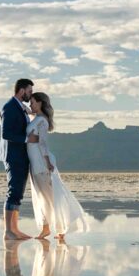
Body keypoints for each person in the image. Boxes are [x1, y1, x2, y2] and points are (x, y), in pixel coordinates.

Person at [26, 92, 89, 239]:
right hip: (34, 162)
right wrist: (28, 113)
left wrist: (47, 162)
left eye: (33, 103)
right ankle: (48, 228)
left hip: (41, 162)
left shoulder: (42, 121)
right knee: (41, 197)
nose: (31, 105)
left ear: (40, 103)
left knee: (50, 198)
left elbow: (42, 143)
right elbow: (31, 134)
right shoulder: (35, 118)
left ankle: (61, 229)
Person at [0, 78, 35, 240]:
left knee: (18, 192)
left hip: (21, 155)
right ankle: (8, 231)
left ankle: (15, 229)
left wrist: (30, 112)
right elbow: (6, 134)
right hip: (13, 155)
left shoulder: (19, 107)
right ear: (21, 90)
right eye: (29, 91)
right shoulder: (9, 107)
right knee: (13, 191)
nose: (31, 94)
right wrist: (28, 139)